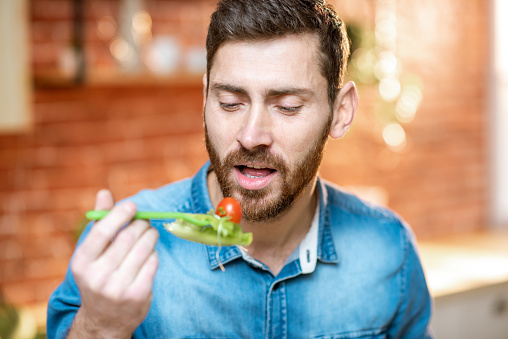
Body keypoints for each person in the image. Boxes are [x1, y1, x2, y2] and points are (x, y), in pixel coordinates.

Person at [47, 0, 433, 338]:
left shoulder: (388, 248)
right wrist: (100, 328)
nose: (251, 136)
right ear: (204, 99)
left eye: (287, 106)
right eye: (230, 102)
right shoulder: (121, 250)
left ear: (340, 111)